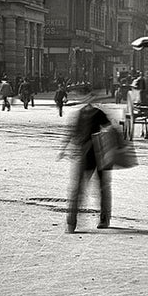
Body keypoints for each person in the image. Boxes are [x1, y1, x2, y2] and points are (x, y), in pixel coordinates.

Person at [63, 97, 116, 232]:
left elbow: (73, 133)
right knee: (101, 187)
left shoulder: (84, 113)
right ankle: (102, 219)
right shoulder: (96, 112)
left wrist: (66, 147)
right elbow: (110, 128)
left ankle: (72, 222)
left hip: (90, 154)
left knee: (79, 188)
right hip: (97, 153)